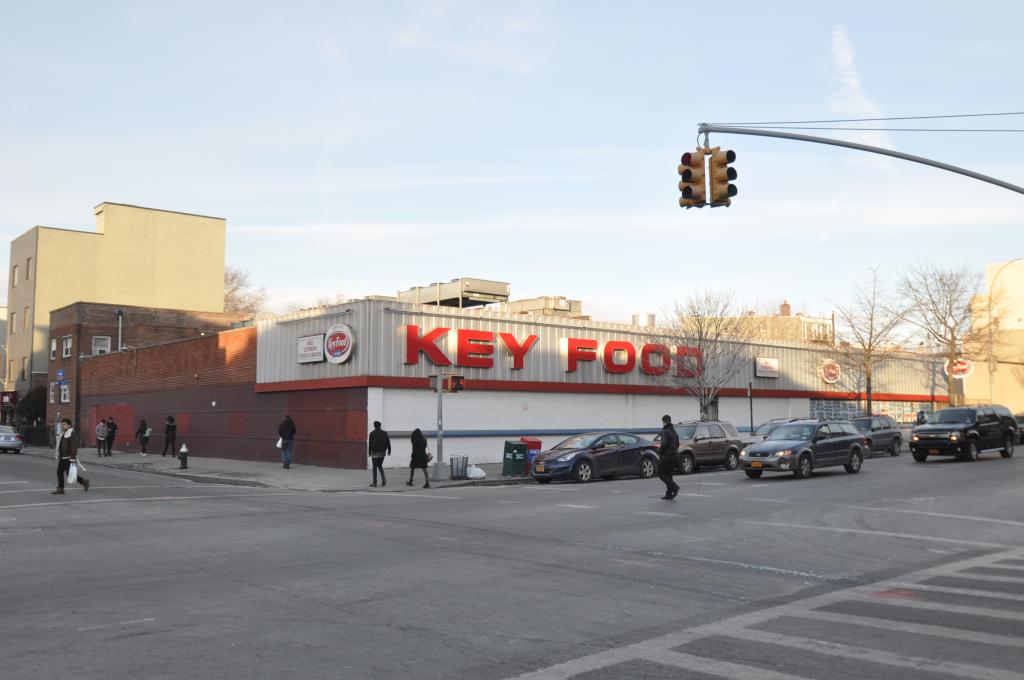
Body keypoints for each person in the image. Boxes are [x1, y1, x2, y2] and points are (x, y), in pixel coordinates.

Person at [53, 418, 89, 494]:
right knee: (59, 472)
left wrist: (73, 458)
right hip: (62, 457)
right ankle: (61, 488)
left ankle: (84, 481)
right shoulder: (63, 433)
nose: (63, 426)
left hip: (69, 458)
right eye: (62, 424)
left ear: (69, 425)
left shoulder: (72, 433)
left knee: (70, 474)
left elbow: (74, 446)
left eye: (64, 424)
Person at [657, 415, 680, 500]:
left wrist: (659, 451)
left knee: (660, 473)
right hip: (675, 456)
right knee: (668, 474)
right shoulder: (674, 431)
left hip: (667, 456)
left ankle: (674, 486)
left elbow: (664, 444)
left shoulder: (665, 431)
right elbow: (677, 444)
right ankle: (669, 493)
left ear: (664, 422)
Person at [367, 420, 391, 487]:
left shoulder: (372, 433)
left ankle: (375, 483)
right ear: (380, 426)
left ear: (374, 426)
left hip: (375, 453)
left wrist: (369, 453)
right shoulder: (384, 433)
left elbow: (370, 444)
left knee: (374, 468)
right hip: (383, 452)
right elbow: (388, 442)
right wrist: (389, 451)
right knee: (380, 465)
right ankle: (384, 480)